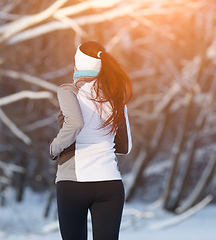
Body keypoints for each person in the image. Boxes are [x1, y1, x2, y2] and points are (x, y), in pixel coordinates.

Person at [49, 41, 133, 240]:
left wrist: (54, 148)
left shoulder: (69, 90)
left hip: (73, 184)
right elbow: (125, 146)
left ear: (78, 65)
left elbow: (75, 123)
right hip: (109, 184)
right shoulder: (115, 96)